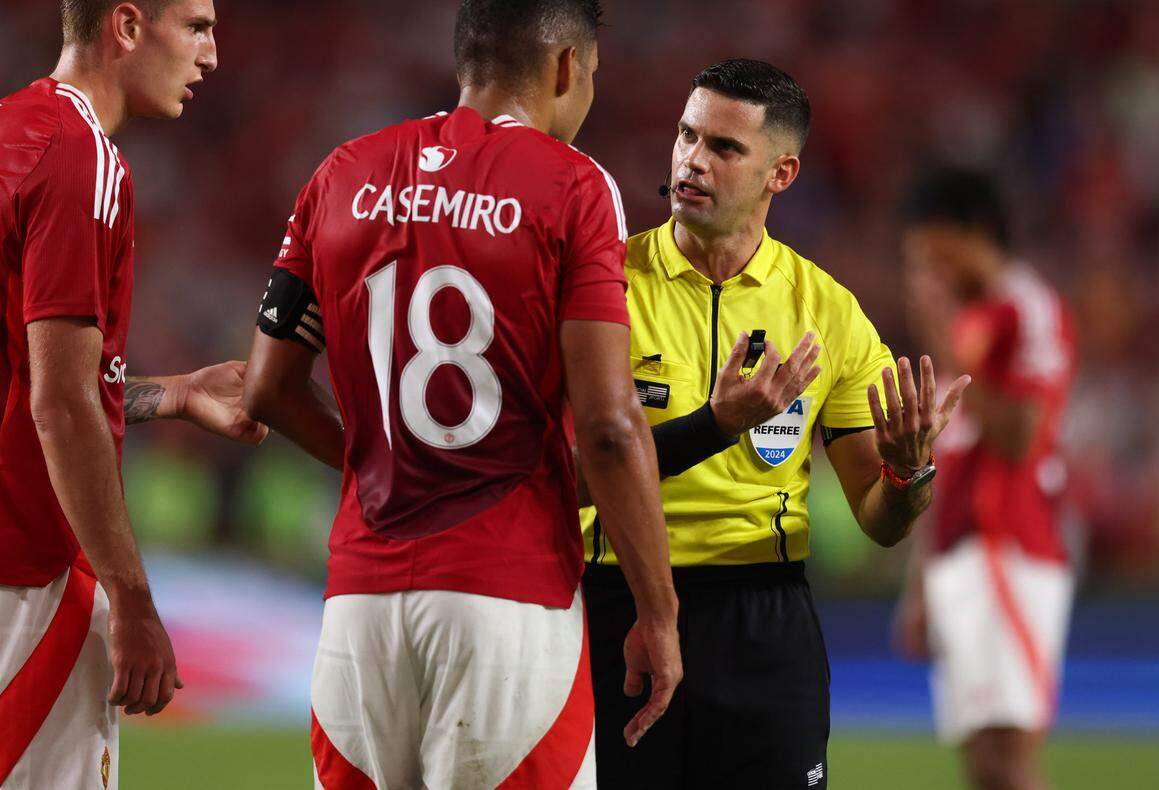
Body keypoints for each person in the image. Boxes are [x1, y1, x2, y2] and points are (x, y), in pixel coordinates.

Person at [240, 1, 681, 787]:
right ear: (566, 67)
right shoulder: (575, 186)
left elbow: (268, 389)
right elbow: (611, 428)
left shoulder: (341, 173)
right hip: (508, 595)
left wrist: (382, 463)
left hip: (359, 606)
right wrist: (659, 613)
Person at [578, 59, 970, 789]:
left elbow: (882, 521)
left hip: (763, 622)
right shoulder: (603, 283)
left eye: (725, 148)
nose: (693, 160)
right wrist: (716, 423)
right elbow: (561, 474)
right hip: (616, 604)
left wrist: (909, 471)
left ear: (780, 174)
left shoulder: (826, 311)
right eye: (687, 135)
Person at [0, 1, 267, 788]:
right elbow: (61, 402)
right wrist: (133, 600)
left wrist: (177, 394)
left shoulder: (13, 133)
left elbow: (35, 385)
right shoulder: (82, 158)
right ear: (125, 26)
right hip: (28, 575)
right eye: (195, 26)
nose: (211, 55)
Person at [893, 169, 1077, 790]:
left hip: (1010, 544)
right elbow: (943, 468)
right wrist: (921, 587)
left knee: (1008, 758)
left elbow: (1020, 435)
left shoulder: (1025, 308)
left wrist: (945, 341)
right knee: (982, 765)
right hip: (958, 557)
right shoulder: (969, 323)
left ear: (971, 233)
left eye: (934, 256)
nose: (927, 276)